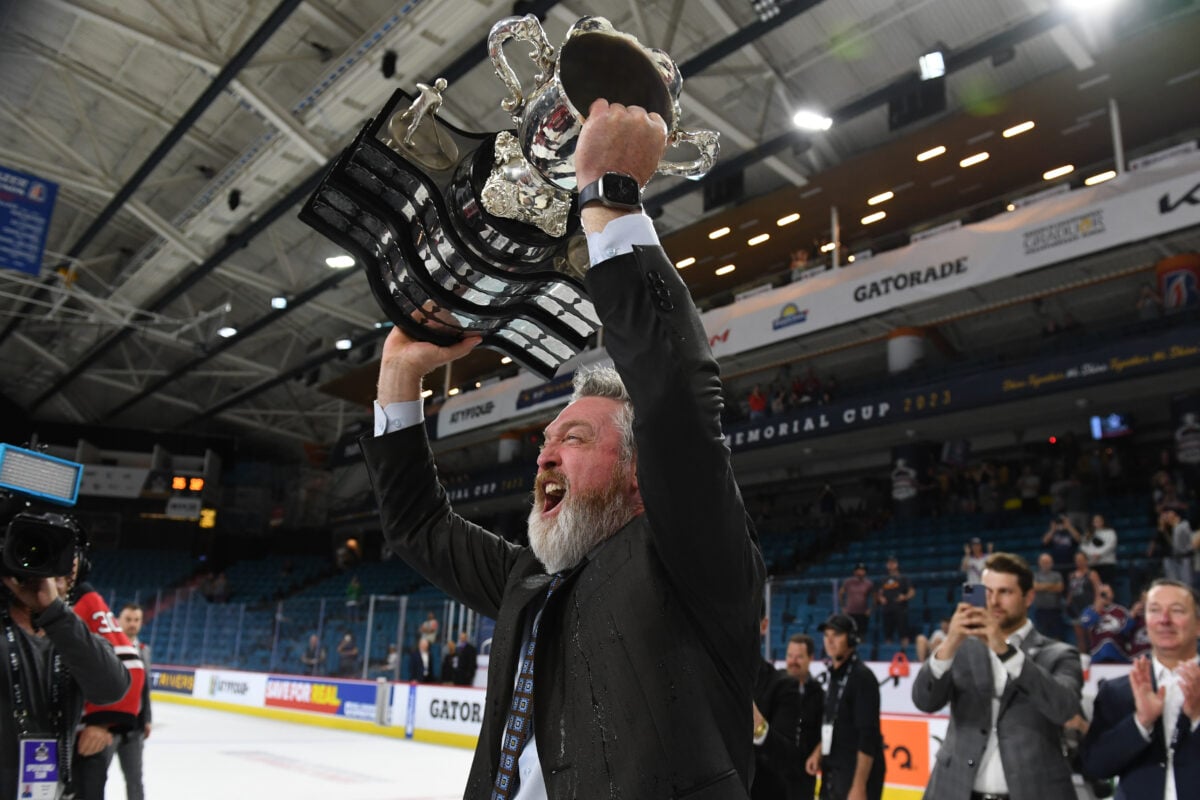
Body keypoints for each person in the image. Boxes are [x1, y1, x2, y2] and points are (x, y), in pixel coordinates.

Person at [359, 98, 764, 798]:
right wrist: (398, 374)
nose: (544, 455)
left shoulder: (692, 564)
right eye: (546, 441)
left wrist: (610, 198)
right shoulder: (528, 580)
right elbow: (417, 526)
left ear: (639, 474)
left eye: (574, 439)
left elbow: (677, 402)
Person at [912, 552, 1082, 800]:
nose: (993, 601)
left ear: (1029, 597)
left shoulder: (1060, 654)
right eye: (987, 592)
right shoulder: (961, 648)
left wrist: (1005, 650)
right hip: (955, 789)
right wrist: (949, 643)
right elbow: (924, 701)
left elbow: (1065, 710)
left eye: (1005, 592)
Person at [0, 510, 129, 800]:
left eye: (63, 553)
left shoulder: (78, 639)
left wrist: (54, 612)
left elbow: (111, 689)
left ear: (77, 570)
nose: (51, 565)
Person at [1080, 579, 1200, 798]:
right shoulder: (1116, 691)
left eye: (1177, 611)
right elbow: (1096, 766)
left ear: (1198, 625)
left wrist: (1198, 719)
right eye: (1154, 610)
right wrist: (1140, 722)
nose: (1164, 620)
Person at [804, 614, 884, 800]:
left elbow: (868, 737)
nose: (829, 640)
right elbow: (834, 723)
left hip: (855, 776)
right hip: (834, 772)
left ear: (852, 639)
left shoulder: (862, 678)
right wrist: (818, 752)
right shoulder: (834, 675)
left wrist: (859, 786)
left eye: (837, 635)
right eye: (826, 635)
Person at [751, 618, 805, 800]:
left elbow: (787, 758)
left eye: (799, 657)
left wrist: (758, 726)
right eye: (790, 655)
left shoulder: (783, 686)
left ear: (764, 625)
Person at [113, 603, 152, 800]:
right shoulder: (107, 647)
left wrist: (147, 719)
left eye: (136, 620)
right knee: (95, 777)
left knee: (135, 779)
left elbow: (145, 690)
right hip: (107, 727)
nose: (132, 624)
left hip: (134, 728)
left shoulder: (144, 651)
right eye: (128, 619)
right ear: (118, 621)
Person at [783, 633, 824, 800]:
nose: (793, 661)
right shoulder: (773, 685)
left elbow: (826, 731)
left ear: (810, 658)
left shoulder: (819, 694)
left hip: (803, 774)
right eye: (790, 656)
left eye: (799, 657)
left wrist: (817, 754)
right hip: (772, 772)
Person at [1079, 584, 1131, 664]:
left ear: (1112, 594)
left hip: (1118, 653)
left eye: (1107, 592)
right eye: (1102, 593)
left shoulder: (1121, 611)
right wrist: (1096, 611)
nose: (1105, 596)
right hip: (1097, 653)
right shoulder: (1090, 610)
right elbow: (1085, 624)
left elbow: (1128, 630)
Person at [876, 556, 914, 647]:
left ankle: (905, 652)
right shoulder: (883, 580)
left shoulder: (904, 578)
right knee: (888, 636)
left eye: (893, 563)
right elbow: (879, 593)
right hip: (887, 610)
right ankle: (888, 653)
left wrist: (905, 597)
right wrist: (881, 598)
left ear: (897, 564)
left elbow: (912, 591)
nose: (891, 565)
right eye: (889, 563)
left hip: (900, 609)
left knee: (903, 635)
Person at [1032, 552, 1066, 641]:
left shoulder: (1057, 575)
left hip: (1055, 610)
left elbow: (1059, 588)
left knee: (1058, 636)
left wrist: (1042, 586)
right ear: (1039, 563)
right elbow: (1035, 587)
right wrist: (1052, 586)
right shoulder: (1035, 575)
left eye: (1047, 562)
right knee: (1041, 636)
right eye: (1043, 562)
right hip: (1041, 611)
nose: (1045, 564)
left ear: (1051, 563)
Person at [1078, 514, 1118, 587]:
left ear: (1103, 521)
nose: (1097, 523)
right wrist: (1092, 554)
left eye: (1099, 521)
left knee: (1107, 585)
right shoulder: (1088, 533)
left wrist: (1099, 554)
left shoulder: (1110, 532)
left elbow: (1111, 545)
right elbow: (1083, 546)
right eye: (1095, 521)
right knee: (1093, 586)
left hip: (1106, 563)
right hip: (1092, 563)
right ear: (1092, 523)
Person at [839, 563, 873, 640]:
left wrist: (871, 609)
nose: (861, 572)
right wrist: (843, 607)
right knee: (850, 634)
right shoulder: (848, 582)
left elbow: (874, 597)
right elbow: (840, 593)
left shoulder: (869, 583)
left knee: (862, 636)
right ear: (855, 572)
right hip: (850, 612)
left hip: (863, 613)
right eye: (859, 570)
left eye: (863, 570)